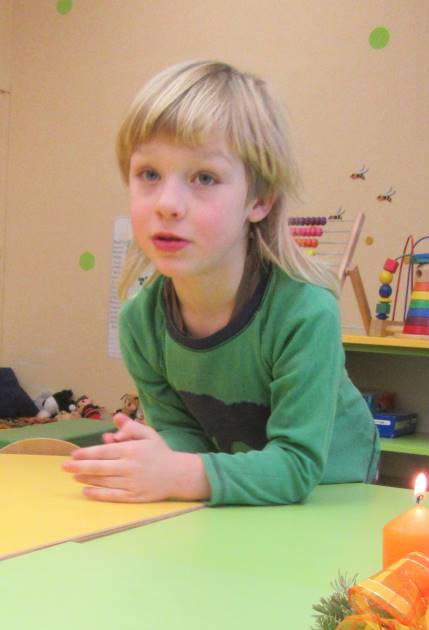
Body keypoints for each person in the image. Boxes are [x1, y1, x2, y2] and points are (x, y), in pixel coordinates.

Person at [64, 59, 377, 504]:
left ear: (260, 200)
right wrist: (153, 456)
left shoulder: (305, 312)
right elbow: (183, 434)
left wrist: (178, 473)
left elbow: (296, 465)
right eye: (149, 174)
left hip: (336, 493)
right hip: (239, 498)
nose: (168, 204)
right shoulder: (141, 322)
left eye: (205, 177)